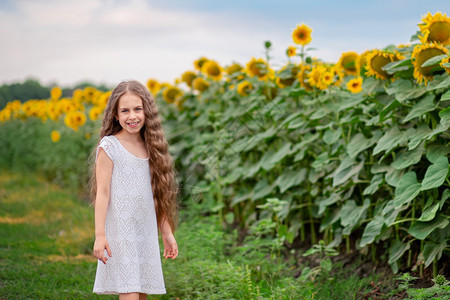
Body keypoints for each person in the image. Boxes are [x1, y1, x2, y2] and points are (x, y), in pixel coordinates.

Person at [90, 80, 178, 299]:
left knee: (140, 292)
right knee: (129, 291)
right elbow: (102, 193)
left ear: (146, 111)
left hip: (145, 231)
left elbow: (159, 194)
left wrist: (166, 232)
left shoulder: (153, 147)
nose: (133, 116)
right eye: (125, 110)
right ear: (115, 115)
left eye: (138, 109)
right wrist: (100, 235)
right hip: (121, 231)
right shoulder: (110, 146)